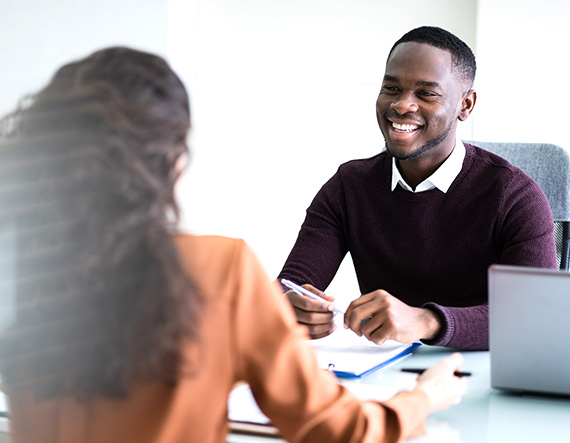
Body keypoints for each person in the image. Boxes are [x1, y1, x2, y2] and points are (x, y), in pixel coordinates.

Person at [0, 46, 467, 443]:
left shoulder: (18, 264)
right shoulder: (218, 269)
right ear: (172, 160)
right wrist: (422, 398)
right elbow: (335, 428)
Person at [278, 26, 557, 351]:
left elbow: (534, 317)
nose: (401, 105)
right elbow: (293, 285)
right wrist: (289, 307)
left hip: (487, 374)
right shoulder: (348, 187)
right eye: (391, 88)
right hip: (383, 374)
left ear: (465, 105)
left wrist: (425, 321)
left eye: (426, 93)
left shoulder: (515, 196)